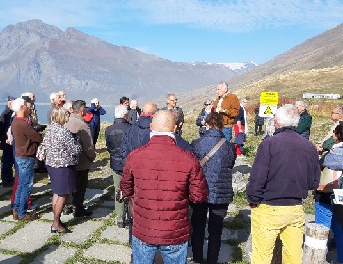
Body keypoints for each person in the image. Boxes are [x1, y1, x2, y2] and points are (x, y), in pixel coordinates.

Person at [120, 110, 209, 263]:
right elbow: (199, 196)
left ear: (151, 127)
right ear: (175, 129)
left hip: (144, 227)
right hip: (175, 230)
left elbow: (126, 189)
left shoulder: (134, 156)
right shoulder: (188, 158)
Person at [246, 104, 320, 264]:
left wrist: (253, 199)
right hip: (295, 208)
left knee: (262, 256)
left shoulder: (269, 144)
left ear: (277, 122)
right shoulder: (308, 146)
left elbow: (257, 177)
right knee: (293, 255)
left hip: (268, 207)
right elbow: (314, 181)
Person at [191, 112, 236, 264]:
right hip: (221, 193)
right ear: (222, 125)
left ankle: (197, 259)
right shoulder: (229, 147)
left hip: (200, 191)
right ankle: (212, 260)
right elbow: (230, 165)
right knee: (215, 232)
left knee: (198, 228)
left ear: (207, 124)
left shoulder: (196, 143)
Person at [42, 107, 82, 233]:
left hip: (52, 164)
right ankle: (56, 223)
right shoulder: (63, 131)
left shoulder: (50, 130)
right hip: (63, 166)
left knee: (57, 192)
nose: (68, 118)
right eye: (66, 115)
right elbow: (75, 150)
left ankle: (56, 220)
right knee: (64, 194)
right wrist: (78, 141)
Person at [11, 98, 42, 221]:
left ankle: (16, 208)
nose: (28, 108)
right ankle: (22, 213)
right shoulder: (22, 123)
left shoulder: (16, 121)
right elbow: (37, 138)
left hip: (21, 155)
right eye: (26, 106)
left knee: (20, 184)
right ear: (22, 107)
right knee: (26, 185)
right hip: (26, 156)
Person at [316, 124, 343, 264]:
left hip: (327, 193)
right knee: (340, 228)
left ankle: (318, 258)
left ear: (337, 136)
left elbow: (321, 164)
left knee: (322, 226)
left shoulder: (334, 153)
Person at [65, 100, 96, 217]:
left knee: (69, 184)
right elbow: (88, 146)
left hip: (67, 159)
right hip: (81, 161)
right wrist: (92, 156)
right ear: (82, 110)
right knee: (80, 186)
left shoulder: (66, 121)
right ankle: (78, 208)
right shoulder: (83, 125)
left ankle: (67, 206)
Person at [105, 105, 131, 228]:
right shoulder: (131, 129)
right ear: (126, 115)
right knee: (131, 190)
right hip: (128, 164)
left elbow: (109, 147)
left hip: (115, 163)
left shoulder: (108, 129)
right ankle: (130, 214)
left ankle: (120, 217)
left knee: (118, 190)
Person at [0, 96, 16, 186]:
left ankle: (9, 177)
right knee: (6, 161)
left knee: (10, 161)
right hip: (6, 141)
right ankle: (5, 179)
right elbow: (1, 129)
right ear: (9, 104)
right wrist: (4, 139)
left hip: (10, 141)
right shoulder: (5, 114)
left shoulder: (11, 113)